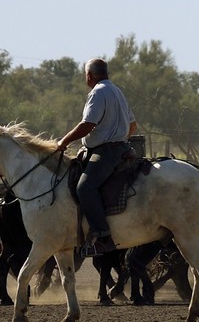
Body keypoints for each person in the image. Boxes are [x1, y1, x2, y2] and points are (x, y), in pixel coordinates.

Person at [54, 58, 138, 257]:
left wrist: (63, 142)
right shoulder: (117, 91)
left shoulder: (98, 92)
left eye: (86, 75)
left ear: (89, 75)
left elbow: (87, 125)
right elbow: (133, 126)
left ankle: (102, 236)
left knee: (84, 187)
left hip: (105, 152)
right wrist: (119, 138)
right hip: (121, 148)